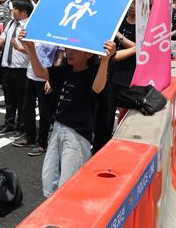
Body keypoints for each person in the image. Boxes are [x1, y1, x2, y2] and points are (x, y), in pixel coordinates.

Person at [20, 30, 116, 197]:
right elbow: (40, 73)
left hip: (77, 136)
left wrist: (105, 59)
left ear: (88, 53)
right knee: (49, 180)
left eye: (75, 49)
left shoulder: (94, 73)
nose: (69, 52)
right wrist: (30, 48)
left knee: (68, 185)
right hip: (57, 129)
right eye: (68, 48)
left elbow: (98, 88)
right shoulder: (65, 70)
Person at [92, 2, 137, 154]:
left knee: (127, 115)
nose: (132, 6)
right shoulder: (120, 20)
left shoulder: (143, 25)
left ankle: (121, 147)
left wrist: (118, 35)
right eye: (130, 3)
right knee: (105, 112)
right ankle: (100, 147)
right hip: (110, 71)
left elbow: (138, 46)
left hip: (128, 74)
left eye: (136, 4)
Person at [0, 0, 32, 139]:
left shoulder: (29, 26)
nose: (12, 10)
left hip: (21, 68)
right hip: (7, 67)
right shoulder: (10, 23)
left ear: (23, 12)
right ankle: (9, 125)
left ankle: (20, 127)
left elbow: (32, 48)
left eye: (15, 8)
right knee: (9, 100)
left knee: (21, 101)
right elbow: (4, 36)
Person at [12, 39, 59, 156]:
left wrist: (52, 78)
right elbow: (31, 51)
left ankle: (42, 143)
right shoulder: (38, 31)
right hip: (31, 74)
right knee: (27, 108)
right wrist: (20, 45)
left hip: (45, 77)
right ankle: (30, 137)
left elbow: (59, 58)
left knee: (44, 113)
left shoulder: (57, 34)